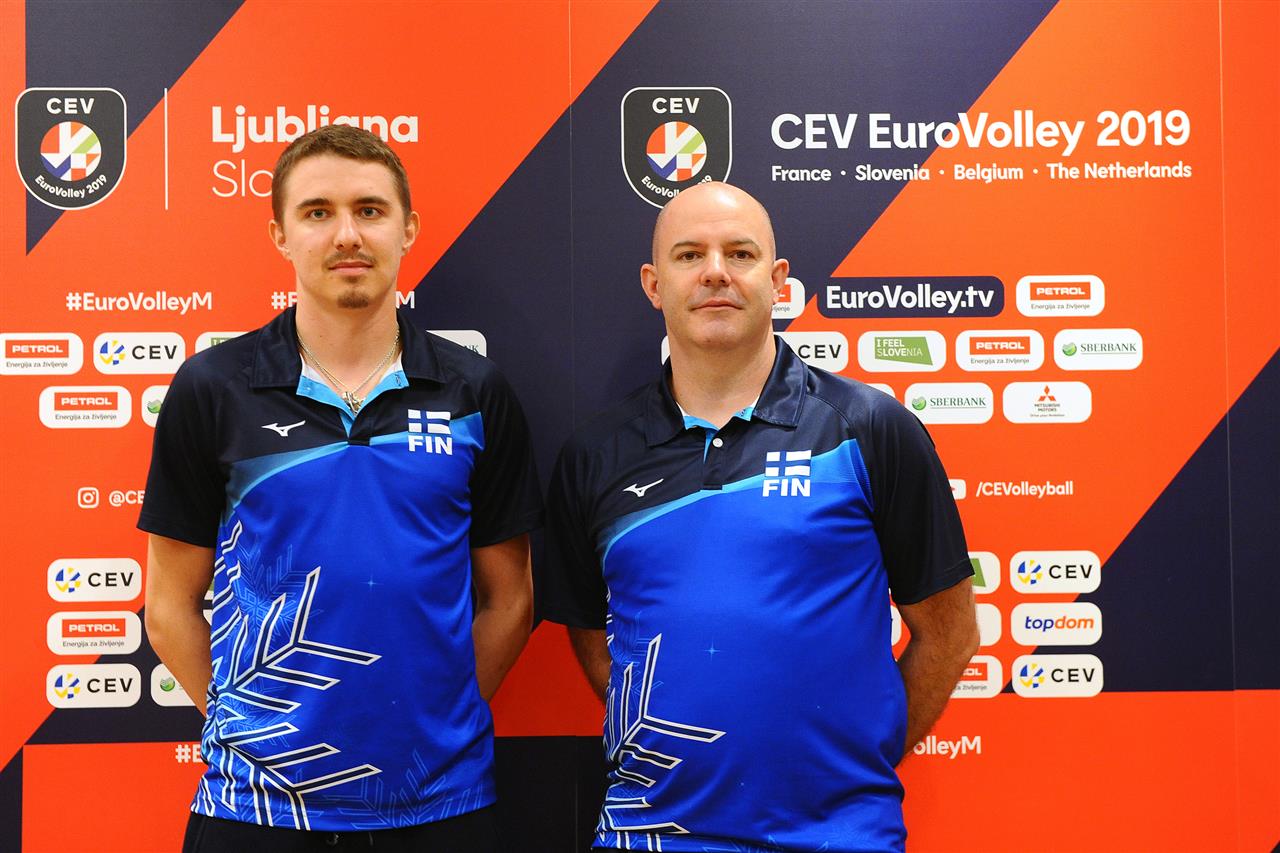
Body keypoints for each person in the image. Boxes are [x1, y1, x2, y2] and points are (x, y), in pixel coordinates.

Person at [539, 182, 979, 852]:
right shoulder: (595, 455)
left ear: (777, 282)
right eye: (690, 255)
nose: (716, 271)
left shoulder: (870, 429)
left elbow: (949, 634)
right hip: (651, 832)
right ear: (655, 284)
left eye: (740, 253)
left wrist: (855, 762)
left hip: (839, 836)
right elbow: (597, 641)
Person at [140, 125, 541, 851]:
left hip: (441, 804)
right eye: (318, 212)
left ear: (407, 229)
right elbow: (168, 607)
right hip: (256, 808)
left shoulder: (474, 391)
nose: (347, 235)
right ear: (281, 235)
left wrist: (430, 726)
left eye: (370, 210)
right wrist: (251, 731)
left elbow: (510, 600)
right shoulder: (213, 389)